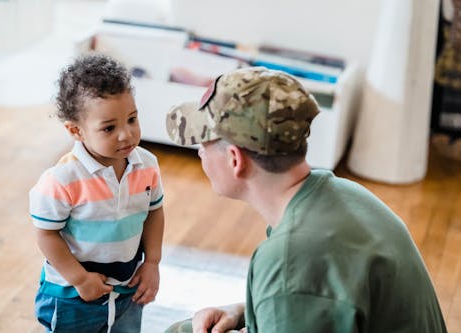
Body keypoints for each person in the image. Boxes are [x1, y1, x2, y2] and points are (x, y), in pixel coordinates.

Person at [164, 67, 447, 333]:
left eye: (204, 143)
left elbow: (300, 286)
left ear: (235, 159)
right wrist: (244, 312)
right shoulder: (343, 194)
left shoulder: (291, 260)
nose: (200, 152)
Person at [29, 53, 165, 333]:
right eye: (109, 128)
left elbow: (154, 212)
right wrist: (79, 279)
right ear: (75, 130)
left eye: (132, 119)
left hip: (127, 288)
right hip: (73, 297)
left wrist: (152, 262)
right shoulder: (62, 180)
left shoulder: (147, 165)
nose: (126, 134)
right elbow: (46, 234)